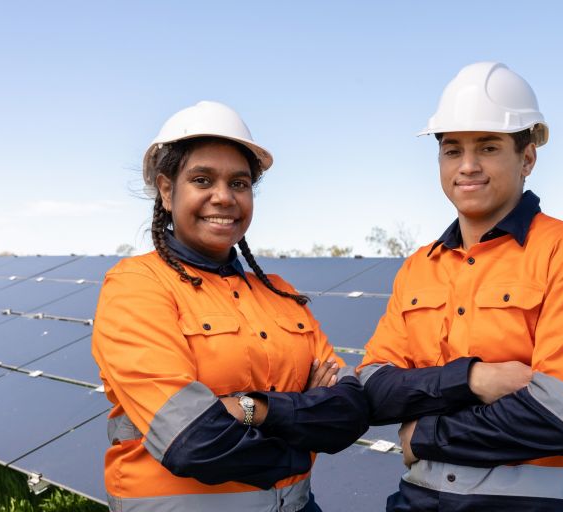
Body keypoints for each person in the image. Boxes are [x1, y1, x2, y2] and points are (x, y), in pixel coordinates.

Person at [360, 62, 563, 511]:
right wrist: (473, 379)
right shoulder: (418, 267)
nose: (468, 166)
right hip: (418, 501)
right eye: (451, 150)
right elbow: (373, 388)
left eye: (488, 147)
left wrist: (424, 433)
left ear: (528, 158)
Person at [91, 101, 368, 511]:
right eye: (202, 180)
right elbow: (194, 442)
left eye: (239, 184)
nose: (223, 197)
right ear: (167, 191)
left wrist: (248, 408)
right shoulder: (137, 287)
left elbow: (350, 409)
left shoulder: (280, 293)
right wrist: (301, 430)